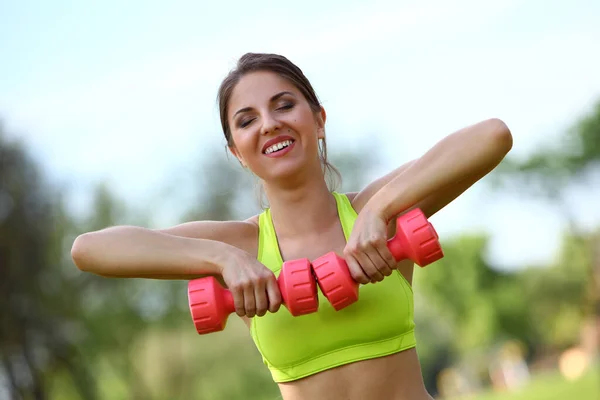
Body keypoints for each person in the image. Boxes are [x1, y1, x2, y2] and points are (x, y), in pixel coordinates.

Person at [71, 52, 513, 400]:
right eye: (247, 120)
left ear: (319, 121)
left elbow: (491, 136)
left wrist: (380, 209)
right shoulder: (242, 245)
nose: (269, 124)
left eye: (284, 105)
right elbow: (90, 249)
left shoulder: (372, 214)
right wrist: (222, 258)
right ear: (237, 153)